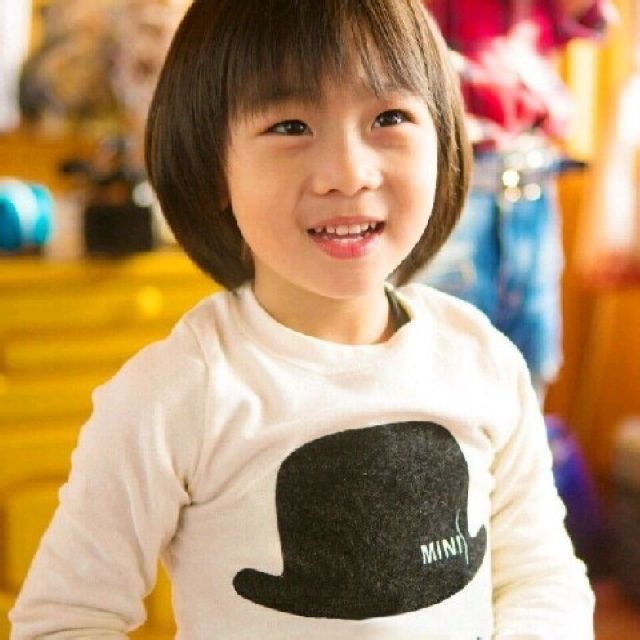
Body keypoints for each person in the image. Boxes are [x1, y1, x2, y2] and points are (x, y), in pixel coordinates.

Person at [10, 0, 594, 637]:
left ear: (444, 142)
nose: (348, 174)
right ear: (213, 169)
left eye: (389, 118)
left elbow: (539, 576)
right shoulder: (174, 394)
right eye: (290, 126)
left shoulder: (482, 359)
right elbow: (65, 618)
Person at [415, 0, 614, 399]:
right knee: (443, 380)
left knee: (527, 377)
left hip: (531, 184)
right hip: (447, 180)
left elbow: (580, 15)